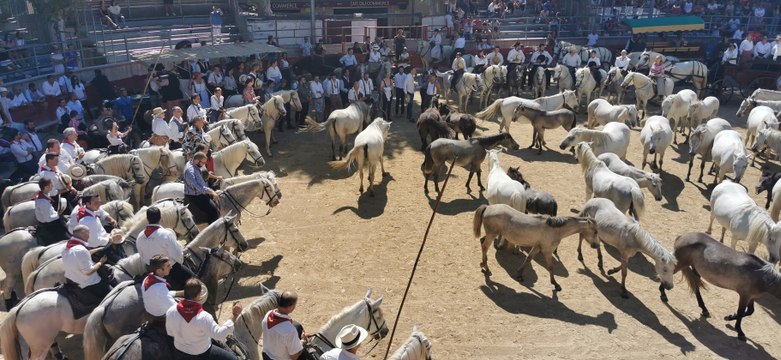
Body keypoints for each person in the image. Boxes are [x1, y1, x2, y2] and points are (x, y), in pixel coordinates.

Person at [166, 278, 242, 360]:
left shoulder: (171, 311)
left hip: (180, 353)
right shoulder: (203, 317)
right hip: (202, 354)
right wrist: (234, 315)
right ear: (199, 295)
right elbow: (219, 335)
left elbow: (170, 333)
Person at [137, 206, 196, 290]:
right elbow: (177, 255)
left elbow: (142, 257)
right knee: (195, 282)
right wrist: (179, 264)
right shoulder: (166, 234)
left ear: (147, 219)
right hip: (170, 270)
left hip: (151, 271)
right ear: (161, 218)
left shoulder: (140, 236)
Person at [62, 225, 111, 298]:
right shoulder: (81, 250)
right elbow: (88, 272)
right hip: (90, 283)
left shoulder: (66, 246)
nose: (89, 236)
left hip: (73, 279)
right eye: (88, 233)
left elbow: (82, 254)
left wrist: (99, 249)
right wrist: (100, 262)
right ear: (82, 232)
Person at [261, 291, 305, 360]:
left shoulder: (268, 315)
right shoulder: (290, 331)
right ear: (290, 307)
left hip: (267, 356)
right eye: (295, 304)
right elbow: (294, 357)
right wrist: (302, 341)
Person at [142, 255, 183, 320]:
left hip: (151, 310)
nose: (171, 267)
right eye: (168, 266)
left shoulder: (147, 278)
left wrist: (182, 292)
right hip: (162, 314)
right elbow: (175, 307)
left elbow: (162, 295)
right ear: (159, 271)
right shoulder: (159, 288)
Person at [184, 152, 220, 224]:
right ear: (197, 160)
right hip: (196, 196)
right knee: (214, 211)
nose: (203, 165)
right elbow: (198, 187)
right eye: (203, 163)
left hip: (200, 191)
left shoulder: (192, 163)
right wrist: (212, 192)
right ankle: (213, 229)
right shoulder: (190, 171)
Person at [35, 178, 69, 245]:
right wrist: (58, 215)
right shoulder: (43, 202)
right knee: (67, 240)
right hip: (50, 225)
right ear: (46, 187)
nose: (52, 186)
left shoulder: (45, 195)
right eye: (51, 185)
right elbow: (48, 219)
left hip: (53, 219)